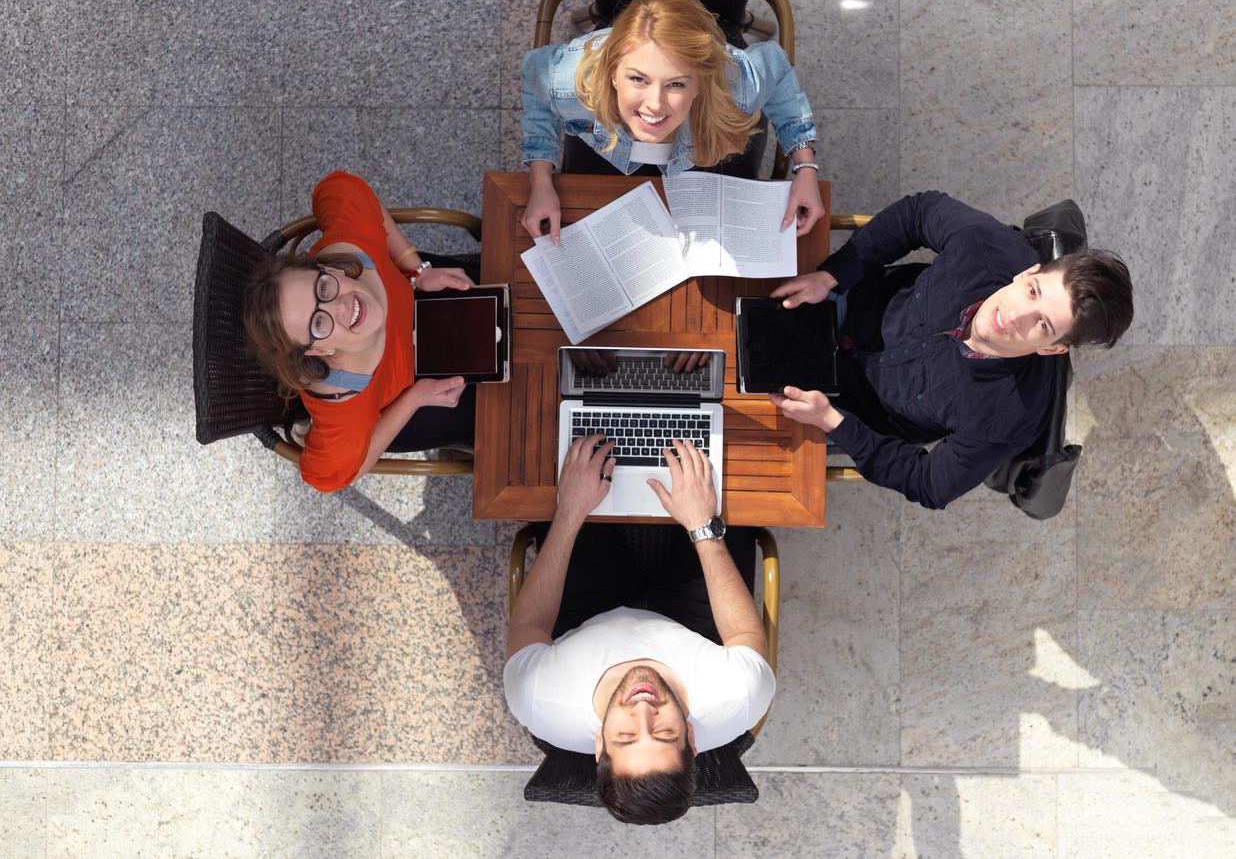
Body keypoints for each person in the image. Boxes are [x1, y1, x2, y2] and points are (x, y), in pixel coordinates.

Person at [768, 190, 1134, 510]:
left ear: (1053, 349)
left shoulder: (1009, 418)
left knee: (731, 426)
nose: (1014, 314)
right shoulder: (990, 248)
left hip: (847, 412)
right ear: (1027, 273)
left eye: (1042, 325)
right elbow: (920, 212)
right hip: (842, 303)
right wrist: (834, 275)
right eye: (1033, 292)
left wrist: (831, 420)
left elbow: (928, 484)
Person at [504, 435, 775, 825]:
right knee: (720, 473)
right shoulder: (739, 697)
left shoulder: (537, 696)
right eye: (665, 733)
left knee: (579, 467)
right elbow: (745, 635)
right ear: (694, 741)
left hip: (589, 618)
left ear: (598, 745)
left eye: (626, 737)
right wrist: (701, 525)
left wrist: (570, 512)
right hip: (691, 627)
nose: (643, 711)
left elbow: (530, 624)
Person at [519, 0, 823, 246]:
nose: (654, 105)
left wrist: (806, 168)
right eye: (638, 79)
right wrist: (540, 180)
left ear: (700, 84)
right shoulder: (570, 82)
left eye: (676, 84)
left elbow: (778, 67)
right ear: (612, 75)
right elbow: (534, 72)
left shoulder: (740, 84)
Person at [243, 170, 478, 492]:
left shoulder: (350, 245)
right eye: (319, 323)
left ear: (325, 267)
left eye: (323, 289)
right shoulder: (345, 405)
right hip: (432, 386)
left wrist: (417, 269)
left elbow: (338, 187)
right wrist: (412, 400)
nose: (342, 307)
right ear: (317, 352)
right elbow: (327, 477)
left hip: (443, 308)